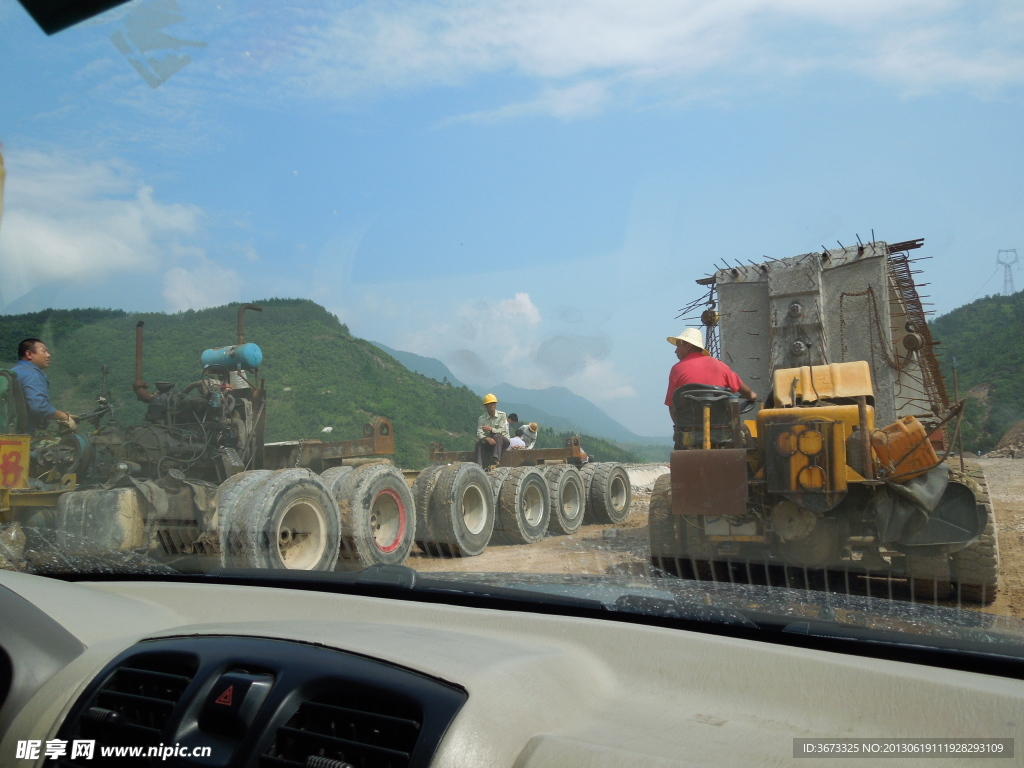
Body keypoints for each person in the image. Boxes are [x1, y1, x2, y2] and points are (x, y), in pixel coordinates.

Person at [665, 328, 756, 423]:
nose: (675, 351)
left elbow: (671, 404)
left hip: (690, 427)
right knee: (745, 431)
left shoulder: (677, 369)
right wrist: (752, 396)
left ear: (688, 346)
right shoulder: (720, 365)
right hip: (720, 428)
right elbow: (747, 392)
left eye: (678, 346)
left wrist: (680, 429)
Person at [11, 338, 75, 433]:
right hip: (27, 435)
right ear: (29, 354)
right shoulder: (32, 374)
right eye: (44, 351)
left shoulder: (15, 371)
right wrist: (64, 417)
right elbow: (38, 408)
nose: (48, 355)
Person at [475, 393, 510, 466]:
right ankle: (479, 465)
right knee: (479, 443)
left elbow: (502, 430)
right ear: (485, 405)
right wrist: (486, 439)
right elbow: (479, 433)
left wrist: (490, 429)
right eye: (489, 403)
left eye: (493, 403)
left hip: (503, 441)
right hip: (490, 442)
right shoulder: (482, 419)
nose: (492, 405)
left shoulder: (502, 415)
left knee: (496, 436)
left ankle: (495, 460)